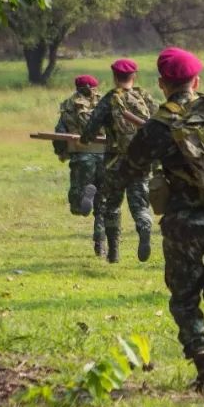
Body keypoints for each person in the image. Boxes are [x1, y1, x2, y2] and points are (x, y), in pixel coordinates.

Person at [116, 47, 204, 393]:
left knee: (184, 298)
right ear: (197, 81)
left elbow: (131, 167)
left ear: (162, 84)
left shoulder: (161, 123)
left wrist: (106, 191)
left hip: (183, 223)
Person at [80, 58, 156, 263]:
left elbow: (90, 129)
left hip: (115, 163)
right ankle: (144, 228)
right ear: (134, 76)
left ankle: (113, 252)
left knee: (112, 206)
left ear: (114, 77)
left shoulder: (109, 100)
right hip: (140, 162)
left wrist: (85, 139)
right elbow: (157, 125)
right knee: (140, 205)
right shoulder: (144, 97)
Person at [52, 75, 105, 256]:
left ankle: (84, 198)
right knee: (102, 203)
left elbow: (59, 132)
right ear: (95, 87)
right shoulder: (106, 102)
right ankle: (100, 244)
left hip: (81, 157)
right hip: (105, 157)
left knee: (77, 202)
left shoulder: (68, 105)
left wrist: (61, 153)